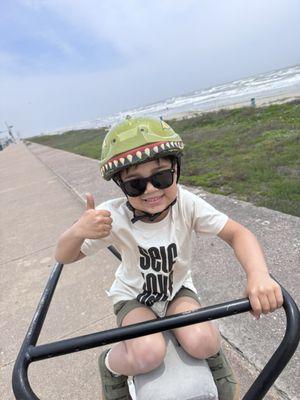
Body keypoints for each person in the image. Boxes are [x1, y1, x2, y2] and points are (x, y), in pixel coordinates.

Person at [55, 117, 283, 400]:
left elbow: (238, 233)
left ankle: (212, 355)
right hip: (134, 296)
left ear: (176, 170)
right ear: (121, 186)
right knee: (148, 354)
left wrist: (258, 274)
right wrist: (78, 231)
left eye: (161, 177)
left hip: (177, 291)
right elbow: (65, 255)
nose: (151, 190)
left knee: (203, 341)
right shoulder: (113, 216)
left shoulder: (187, 204)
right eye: (136, 185)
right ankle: (111, 365)